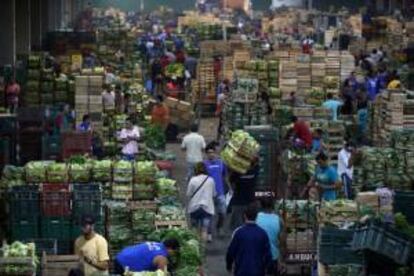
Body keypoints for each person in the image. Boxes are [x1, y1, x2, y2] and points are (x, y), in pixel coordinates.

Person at [226, 204, 272, 276]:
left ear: (245, 216)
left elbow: (231, 252)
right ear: (256, 217)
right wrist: (268, 269)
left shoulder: (238, 233)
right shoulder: (262, 233)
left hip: (241, 271)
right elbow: (268, 255)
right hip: (258, 271)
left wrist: (229, 266)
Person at [187, 162, 216, 242]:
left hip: (194, 207)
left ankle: (196, 248)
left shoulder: (193, 180)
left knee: (194, 229)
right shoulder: (211, 180)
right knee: (204, 230)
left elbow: (188, 194)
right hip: (207, 207)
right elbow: (214, 194)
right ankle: (203, 248)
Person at [114, 239, 180, 274]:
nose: (173, 254)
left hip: (120, 257)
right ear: (170, 249)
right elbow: (161, 274)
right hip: (125, 265)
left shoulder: (157, 244)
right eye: (174, 251)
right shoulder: (162, 258)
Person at [204, 143, 228, 239]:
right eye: (209, 153)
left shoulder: (221, 163)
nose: (211, 154)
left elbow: (225, 176)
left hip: (220, 192)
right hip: (208, 193)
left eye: (212, 152)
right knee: (209, 215)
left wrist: (229, 188)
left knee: (223, 212)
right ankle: (209, 233)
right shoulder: (204, 164)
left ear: (215, 153)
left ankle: (219, 227)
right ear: (206, 154)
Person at [229, 159, 259, 231]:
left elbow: (230, 179)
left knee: (238, 227)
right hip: (250, 201)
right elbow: (257, 164)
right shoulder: (254, 171)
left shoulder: (237, 172)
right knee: (250, 225)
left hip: (238, 202)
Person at [256, 197, 283, 276]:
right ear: (273, 206)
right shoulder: (279, 220)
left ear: (261, 206)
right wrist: (281, 261)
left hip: (259, 256)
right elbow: (282, 243)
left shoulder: (255, 218)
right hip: (273, 257)